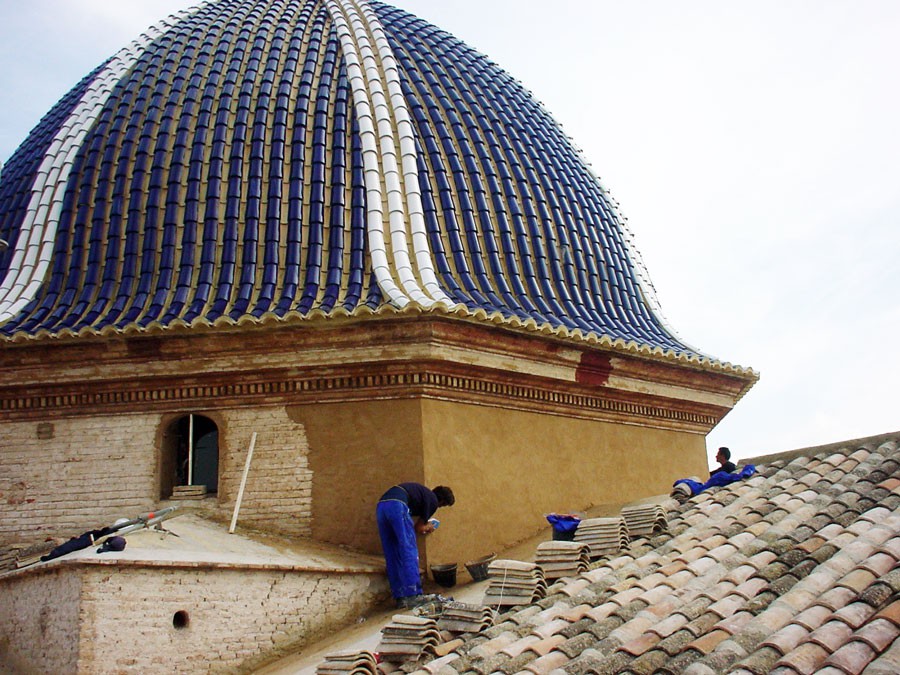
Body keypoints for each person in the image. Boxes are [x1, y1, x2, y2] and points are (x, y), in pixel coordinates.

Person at [376, 482, 455, 609]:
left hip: (382, 506)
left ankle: (400, 597)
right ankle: (414, 594)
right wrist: (429, 526)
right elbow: (419, 527)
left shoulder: (421, 494)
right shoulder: (433, 500)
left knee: (392, 554)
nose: (439, 507)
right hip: (398, 505)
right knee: (408, 550)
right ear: (441, 501)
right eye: (442, 505)